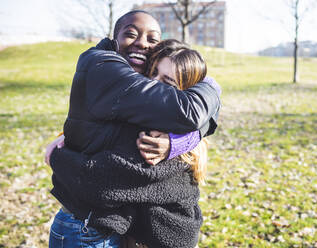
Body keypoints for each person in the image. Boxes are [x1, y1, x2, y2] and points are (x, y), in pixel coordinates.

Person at [46, 10, 221, 248]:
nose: (153, 84)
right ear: (114, 37)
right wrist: (65, 140)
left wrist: (183, 140)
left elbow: (104, 172)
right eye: (130, 33)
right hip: (89, 229)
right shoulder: (105, 66)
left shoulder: (165, 129)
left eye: (152, 38)